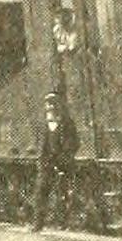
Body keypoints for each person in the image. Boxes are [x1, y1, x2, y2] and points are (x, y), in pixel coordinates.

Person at [32, 93, 80, 232]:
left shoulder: (67, 124)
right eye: (47, 106)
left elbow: (74, 143)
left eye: (52, 106)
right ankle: (38, 223)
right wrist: (42, 160)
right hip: (47, 163)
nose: (49, 109)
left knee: (62, 193)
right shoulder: (44, 125)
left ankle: (62, 222)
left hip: (62, 163)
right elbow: (41, 145)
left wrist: (65, 157)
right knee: (41, 192)